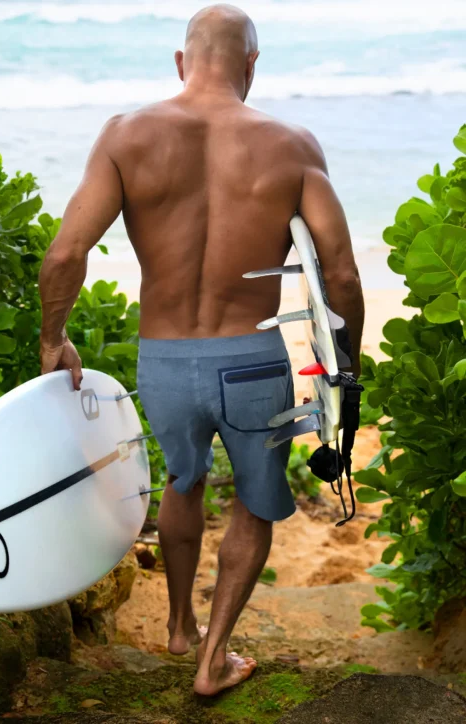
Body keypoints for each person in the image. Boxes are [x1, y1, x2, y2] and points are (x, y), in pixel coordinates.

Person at [39, 3, 364, 697]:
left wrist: (53, 338)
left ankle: (181, 626)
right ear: (251, 66)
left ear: (182, 63)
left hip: (164, 360)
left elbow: (67, 251)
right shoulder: (293, 146)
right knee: (252, 504)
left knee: (183, 484)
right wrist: (348, 369)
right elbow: (339, 273)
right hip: (251, 360)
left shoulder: (126, 136)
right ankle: (212, 657)